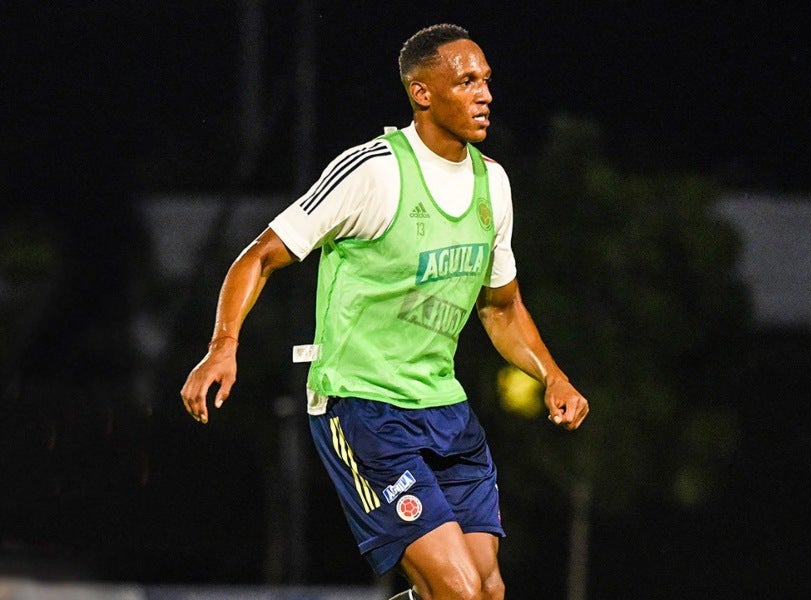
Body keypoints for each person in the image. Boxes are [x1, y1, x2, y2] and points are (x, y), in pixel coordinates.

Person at [180, 23, 589, 600]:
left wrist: (553, 375)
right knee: (459, 593)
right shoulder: (374, 171)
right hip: (364, 408)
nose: (485, 94)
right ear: (422, 92)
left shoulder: (492, 184)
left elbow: (501, 307)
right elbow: (261, 256)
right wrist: (222, 346)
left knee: (488, 590)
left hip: (444, 409)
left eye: (487, 81)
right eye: (467, 80)